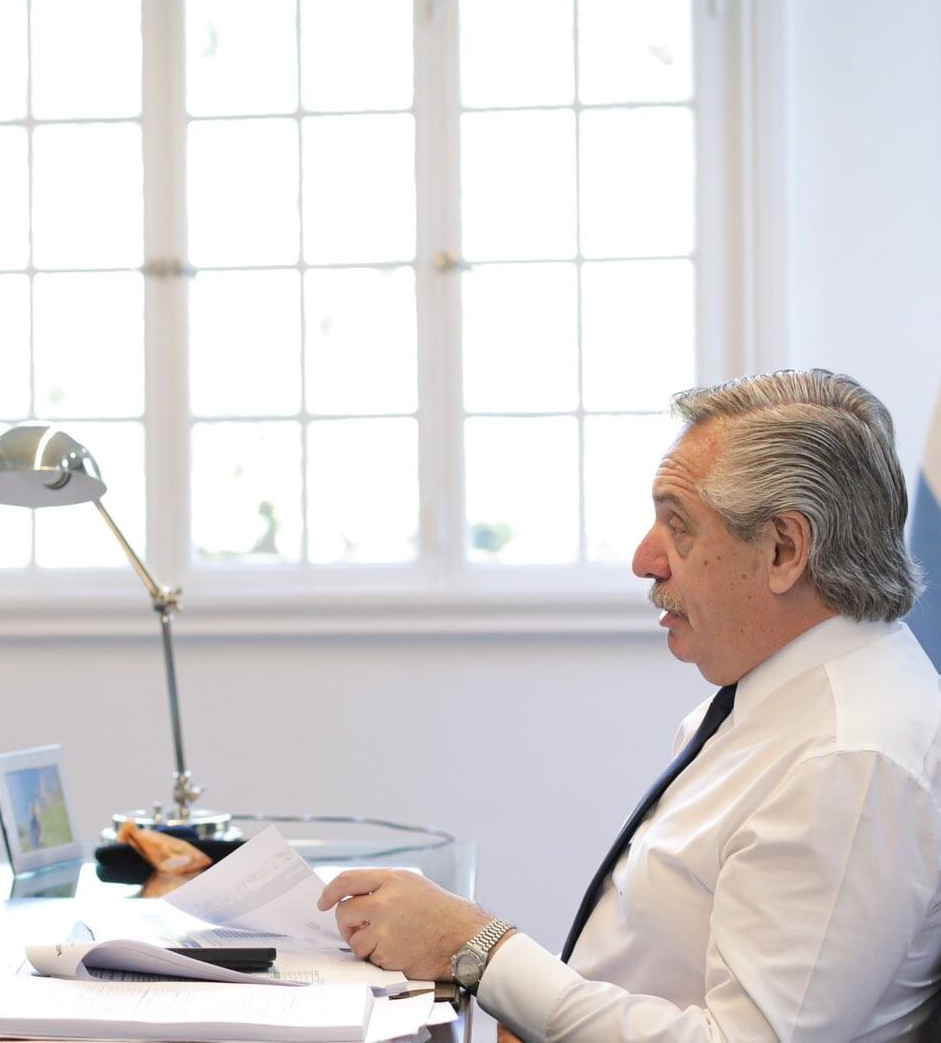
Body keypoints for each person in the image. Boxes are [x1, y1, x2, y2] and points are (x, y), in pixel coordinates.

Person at [319, 369, 941, 1041]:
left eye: (680, 527)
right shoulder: (772, 695)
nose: (646, 560)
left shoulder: (848, 759)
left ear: (784, 550)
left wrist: (481, 951)